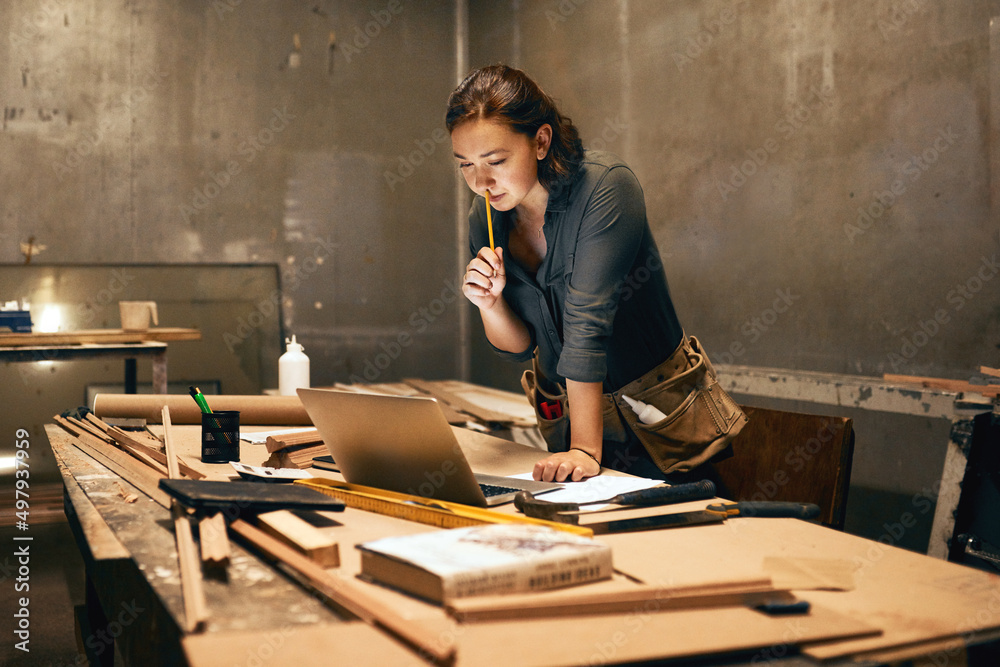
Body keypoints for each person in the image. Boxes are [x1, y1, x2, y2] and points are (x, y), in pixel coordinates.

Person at [447, 64, 745, 484]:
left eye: (495, 160)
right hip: (570, 432)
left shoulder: (605, 189)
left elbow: (587, 326)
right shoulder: (488, 212)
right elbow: (518, 347)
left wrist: (585, 449)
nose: (480, 181)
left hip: (659, 427)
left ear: (541, 141)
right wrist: (490, 304)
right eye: (465, 165)